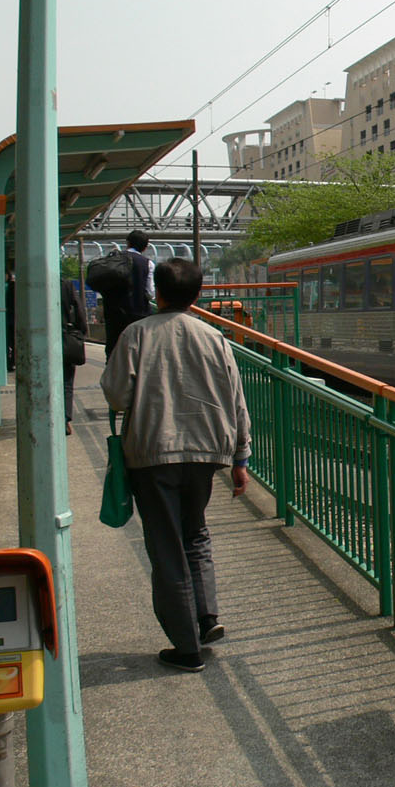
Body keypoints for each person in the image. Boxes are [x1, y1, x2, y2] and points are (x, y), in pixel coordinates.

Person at [101, 257, 252, 673]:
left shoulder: (136, 335)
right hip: (207, 454)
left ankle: (186, 648)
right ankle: (207, 617)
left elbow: (116, 395)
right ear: (198, 294)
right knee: (196, 534)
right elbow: (237, 401)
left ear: (158, 294)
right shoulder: (216, 338)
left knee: (167, 546)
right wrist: (241, 457)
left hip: (153, 454)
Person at [103, 230, 156, 359]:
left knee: (113, 352)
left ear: (127, 243)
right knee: (139, 353)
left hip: (114, 314)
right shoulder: (147, 263)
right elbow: (150, 293)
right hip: (138, 315)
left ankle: (112, 376)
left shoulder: (113, 259)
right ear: (145, 247)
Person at [61, 277, 88, 436]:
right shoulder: (66, 284)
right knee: (66, 382)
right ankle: (64, 418)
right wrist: (82, 330)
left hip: (40, 341)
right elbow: (78, 309)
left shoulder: (30, 280)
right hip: (65, 337)